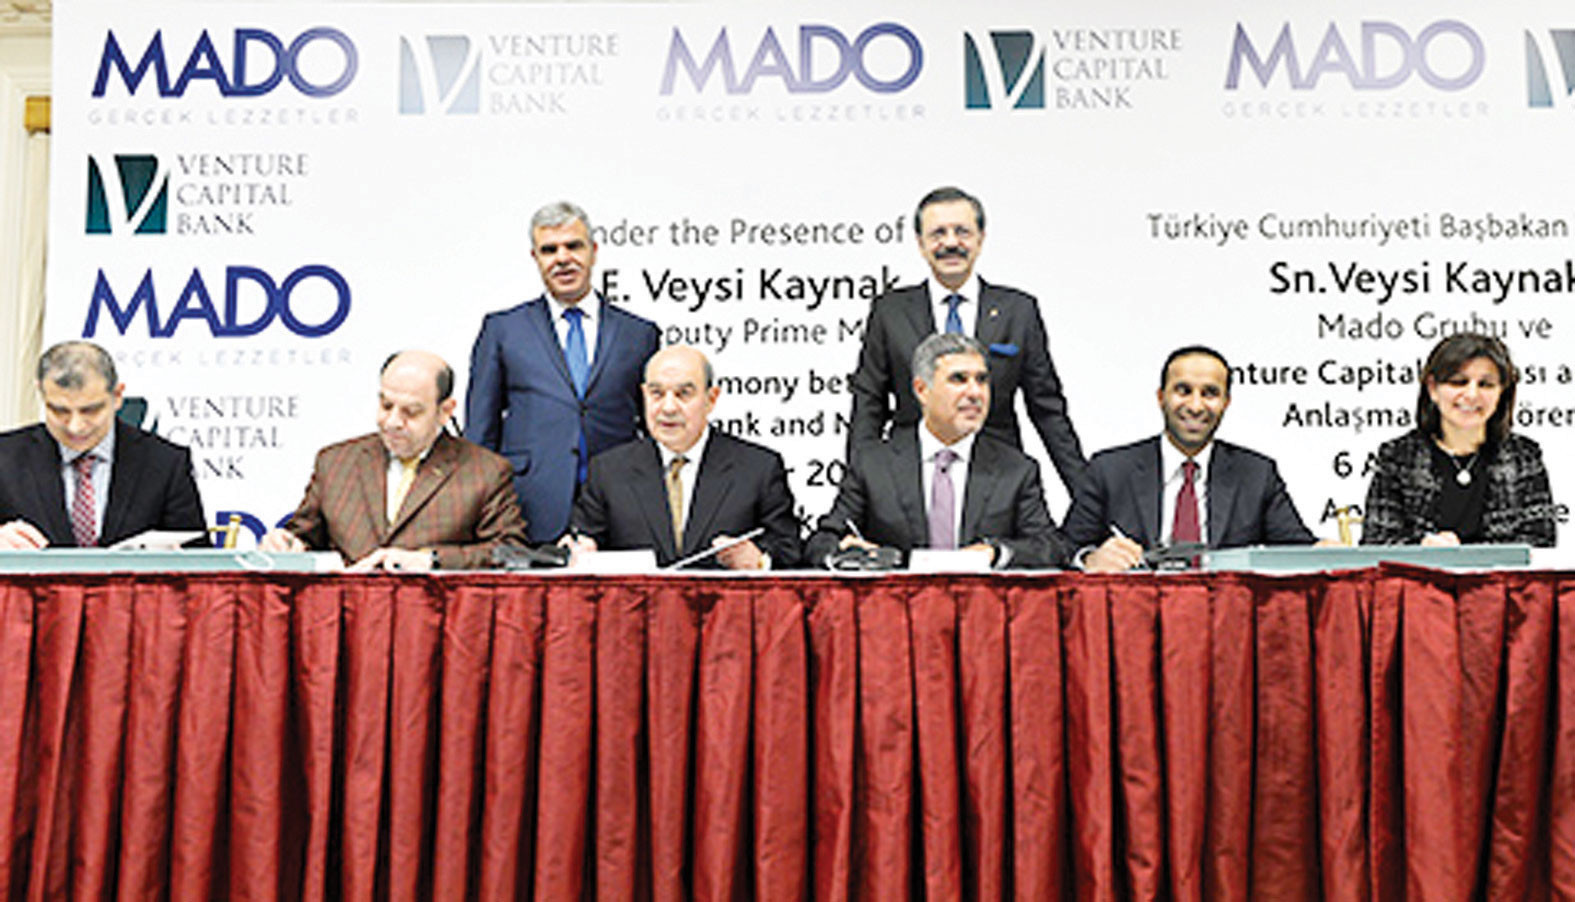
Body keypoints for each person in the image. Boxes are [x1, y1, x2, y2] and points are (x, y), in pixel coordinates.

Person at [847, 186, 1087, 496]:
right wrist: (859, 488)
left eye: (962, 232)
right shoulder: (889, 311)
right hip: (908, 480)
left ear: (981, 239)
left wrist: (1087, 495)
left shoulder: (1018, 310)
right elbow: (869, 404)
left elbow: (1047, 410)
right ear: (920, 244)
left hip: (997, 478)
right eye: (938, 233)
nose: (950, 243)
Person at [465, 201, 660, 543]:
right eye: (549, 250)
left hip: (618, 505)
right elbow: (481, 433)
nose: (562, 258)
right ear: (535, 257)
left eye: (573, 246)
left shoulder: (639, 334)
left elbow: (655, 428)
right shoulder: (502, 329)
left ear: (594, 251)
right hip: (527, 506)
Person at [807, 333, 1070, 569]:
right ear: (922, 389)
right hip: (897, 605)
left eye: (981, 380)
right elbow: (822, 542)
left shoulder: (1016, 469)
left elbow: (1050, 547)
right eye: (958, 379)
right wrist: (846, 554)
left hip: (981, 605)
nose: (975, 392)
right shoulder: (874, 465)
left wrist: (996, 553)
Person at [261, 351, 528, 570]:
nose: (393, 422)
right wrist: (286, 544)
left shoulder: (486, 471)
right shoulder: (335, 462)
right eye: (386, 406)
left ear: (445, 411)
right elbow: (304, 536)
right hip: (346, 612)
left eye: (411, 412)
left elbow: (510, 553)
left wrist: (431, 560)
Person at [1064, 345, 1316, 572]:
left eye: (1210, 393)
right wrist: (1089, 559)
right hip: (1137, 605)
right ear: (1161, 397)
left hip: (1226, 607)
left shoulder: (1257, 474)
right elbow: (1065, 549)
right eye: (1183, 391)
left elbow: (1298, 552)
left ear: (1226, 402)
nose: (1196, 406)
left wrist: (1325, 552)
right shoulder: (1109, 470)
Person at [565, 345, 801, 569]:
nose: (668, 407)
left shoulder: (758, 468)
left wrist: (759, 562)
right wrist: (579, 552)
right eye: (657, 394)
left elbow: (790, 552)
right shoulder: (608, 471)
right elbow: (584, 542)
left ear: (711, 399)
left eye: (683, 394)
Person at [0, 340, 205, 549]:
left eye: (90, 410)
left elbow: (200, 558)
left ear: (117, 396)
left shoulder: (165, 463)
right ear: (42, 394)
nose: (75, 426)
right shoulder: (4, 459)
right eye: (59, 411)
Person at [1361, 332, 1555, 547]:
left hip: (1500, 571)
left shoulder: (1524, 457)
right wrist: (1422, 546)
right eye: (1458, 382)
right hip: (1421, 569)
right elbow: (1376, 542)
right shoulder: (1398, 457)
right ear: (1432, 388)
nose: (1471, 394)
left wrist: (1473, 557)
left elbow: (1541, 542)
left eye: (1486, 384)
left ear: (1502, 392)